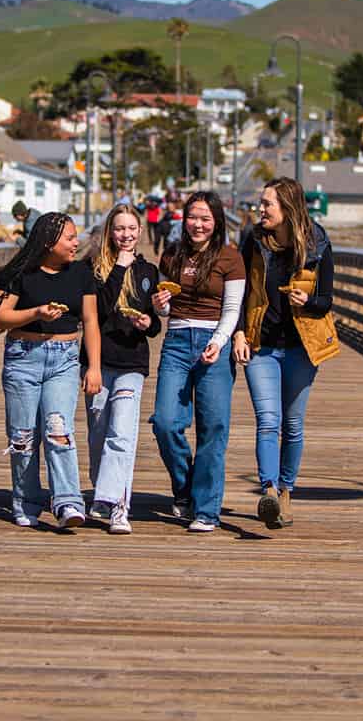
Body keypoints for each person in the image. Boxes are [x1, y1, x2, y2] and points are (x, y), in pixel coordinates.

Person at [0, 212, 102, 529]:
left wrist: (93, 366)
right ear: (48, 242)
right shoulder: (20, 273)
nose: (76, 243)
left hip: (65, 359)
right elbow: (0, 317)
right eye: (70, 237)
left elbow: (91, 321)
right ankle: (26, 502)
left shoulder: (81, 272)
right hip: (23, 359)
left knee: (59, 431)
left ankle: (68, 502)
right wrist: (36, 313)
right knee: (23, 437)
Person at [233, 178, 338, 528]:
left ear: (288, 208)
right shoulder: (251, 240)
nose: (260, 210)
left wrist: (308, 301)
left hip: (301, 346)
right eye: (260, 204)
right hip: (260, 343)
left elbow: (327, 300)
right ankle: (269, 490)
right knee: (268, 421)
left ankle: (287, 491)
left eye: (267, 204)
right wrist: (238, 333)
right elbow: (241, 290)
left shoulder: (317, 242)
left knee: (292, 425)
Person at [150, 191, 245, 533]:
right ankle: (185, 487)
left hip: (212, 344)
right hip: (176, 341)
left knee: (213, 427)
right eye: (193, 217)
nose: (198, 225)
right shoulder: (172, 255)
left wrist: (219, 342)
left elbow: (232, 310)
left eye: (205, 218)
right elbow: (163, 309)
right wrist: (160, 305)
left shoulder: (230, 258)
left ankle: (206, 509)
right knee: (164, 422)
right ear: (183, 219)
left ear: (216, 221)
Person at [81, 203, 162, 535]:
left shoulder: (149, 272)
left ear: (140, 232)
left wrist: (149, 321)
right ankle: (102, 492)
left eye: (131, 229)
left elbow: (155, 325)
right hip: (98, 361)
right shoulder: (93, 268)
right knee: (99, 433)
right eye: (119, 229)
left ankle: (118, 506)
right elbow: (97, 311)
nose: (126, 235)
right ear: (109, 233)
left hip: (132, 361)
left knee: (122, 434)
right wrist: (118, 268)